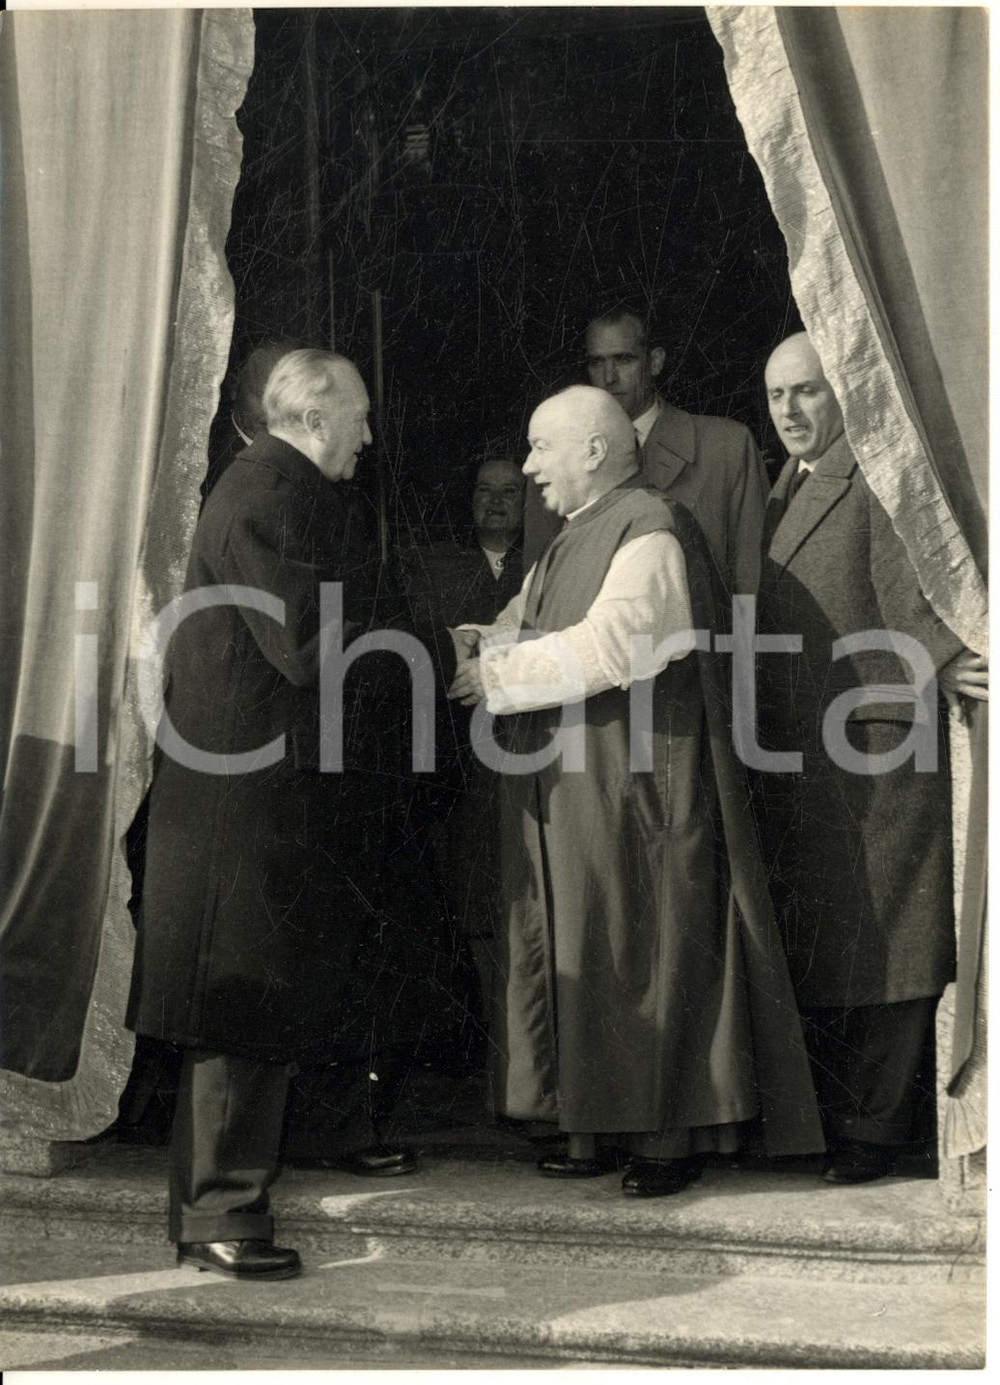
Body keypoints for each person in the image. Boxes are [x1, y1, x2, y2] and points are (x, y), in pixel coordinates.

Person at [126, 349, 457, 1279]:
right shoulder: (270, 494)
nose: (368, 435)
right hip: (245, 806)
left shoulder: (279, 489)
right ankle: (217, 1216)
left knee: (269, 991)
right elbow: (312, 644)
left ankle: (264, 1169)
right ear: (315, 418)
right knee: (238, 1002)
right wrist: (440, 644)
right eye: (357, 416)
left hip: (265, 797)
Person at [448, 385, 824, 1198]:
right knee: (590, 947)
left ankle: (664, 1135)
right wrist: (470, 646)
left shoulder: (652, 527)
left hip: (640, 788)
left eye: (540, 447)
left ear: (592, 451)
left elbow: (616, 644)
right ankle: (590, 1123)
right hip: (581, 785)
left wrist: (498, 672)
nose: (527, 466)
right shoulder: (568, 539)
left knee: (643, 949)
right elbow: (521, 620)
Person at [756, 332, 987, 1184]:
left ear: (844, 395)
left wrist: (943, 653)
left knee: (890, 942)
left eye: (808, 392)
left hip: (874, 753)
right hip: (811, 761)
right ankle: (852, 1123)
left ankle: (876, 1131)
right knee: (841, 943)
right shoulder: (787, 485)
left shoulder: (873, 483)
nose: (789, 410)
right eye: (778, 395)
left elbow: (913, 591)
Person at [522, 305, 768, 608]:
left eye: (624, 359)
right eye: (597, 362)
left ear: (654, 362)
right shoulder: (553, 456)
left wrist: (743, 656)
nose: (609, 377)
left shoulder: (726, 446)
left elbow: (751, 581)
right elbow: (537, 592)